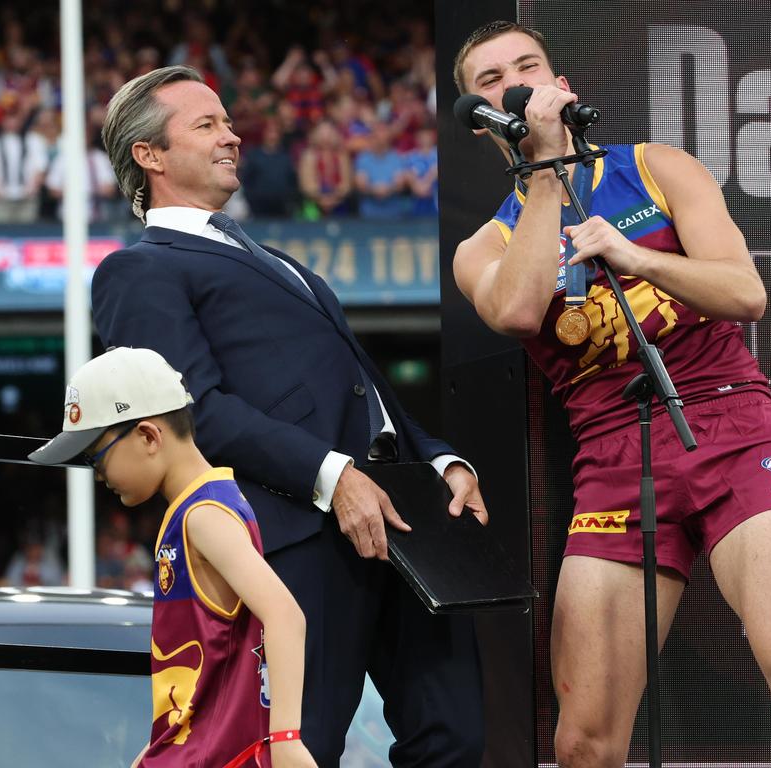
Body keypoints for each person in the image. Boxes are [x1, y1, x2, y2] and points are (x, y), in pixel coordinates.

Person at [451, 21, 771, 768]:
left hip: (728, 418)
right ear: (477, 116)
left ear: (561, 86)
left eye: (527, 67)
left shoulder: (657, 168)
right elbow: (519, 311)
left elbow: (745, 292)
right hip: (615, 453)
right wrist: (546, 170)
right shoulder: (484, 245)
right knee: (584, 743)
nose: (513, 84)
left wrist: (631, 257)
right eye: (490, 80)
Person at [91, 65, 486, 768]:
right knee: (299, 752)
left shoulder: (278, 261)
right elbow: (192, 412)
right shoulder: (139, 270)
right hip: (295, 534)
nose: (233, 136)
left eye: (227, 121)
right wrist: (333, 477)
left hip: (405, 526)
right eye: (206, 124)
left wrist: (439, 459)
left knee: (456, 737)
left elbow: (364, 386)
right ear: (149, 155)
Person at [28, 346, 316, 768]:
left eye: (96, 456)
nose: (99, 474)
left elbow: (286, 616)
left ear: (148, 436)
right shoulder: (193, 510)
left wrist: (286, 738)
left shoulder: (203, 516)